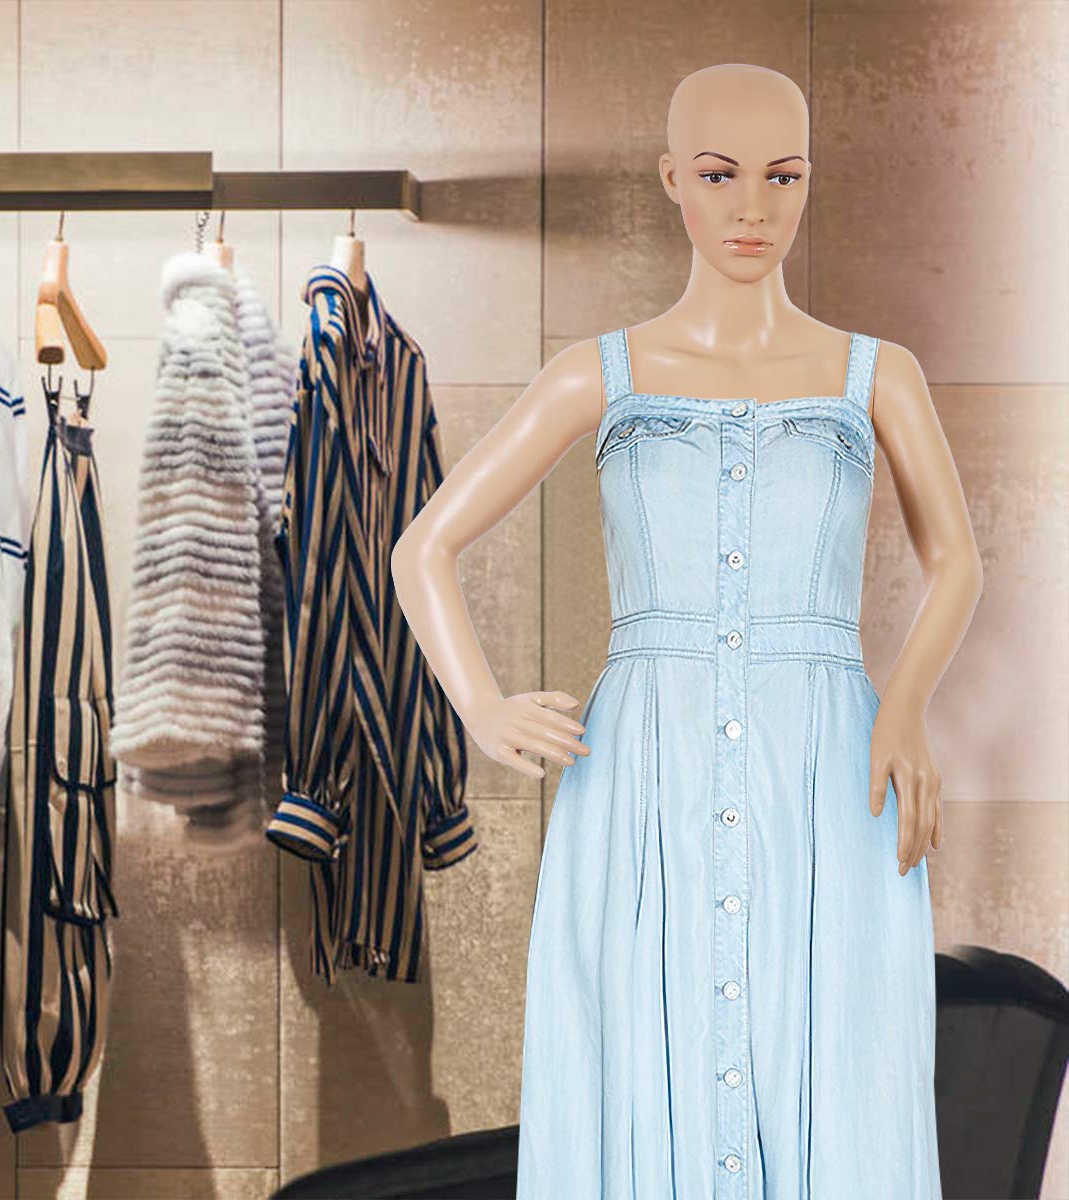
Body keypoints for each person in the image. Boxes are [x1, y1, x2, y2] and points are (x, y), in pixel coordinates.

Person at [392, 63, 980, 1198]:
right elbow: (423, 549)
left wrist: (905, 703)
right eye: (719, 175)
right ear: (672, 179)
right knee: (635, 1046)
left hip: (829, 769)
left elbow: (957, 560)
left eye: (782, 176)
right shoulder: (598, 374)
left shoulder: (877, 376)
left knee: (839, 1054)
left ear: (809, 181)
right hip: (644, 772)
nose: (752, 207)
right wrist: (482, 705)